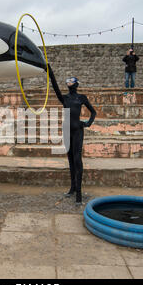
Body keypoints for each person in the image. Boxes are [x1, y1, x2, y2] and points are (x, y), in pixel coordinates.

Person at [48, 64, 97, 205]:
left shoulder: (82, 97)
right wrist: (51, 74)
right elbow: (56, 89)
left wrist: (87, 123)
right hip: (66, 130)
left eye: (71, 81)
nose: (68, 83)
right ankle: (73, 188)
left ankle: (79, 194)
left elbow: (93, 112)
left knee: (77, 160)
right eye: (67, 81)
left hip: (77, 131)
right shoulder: (65, 98)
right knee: (70, 160)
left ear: (76, 84)